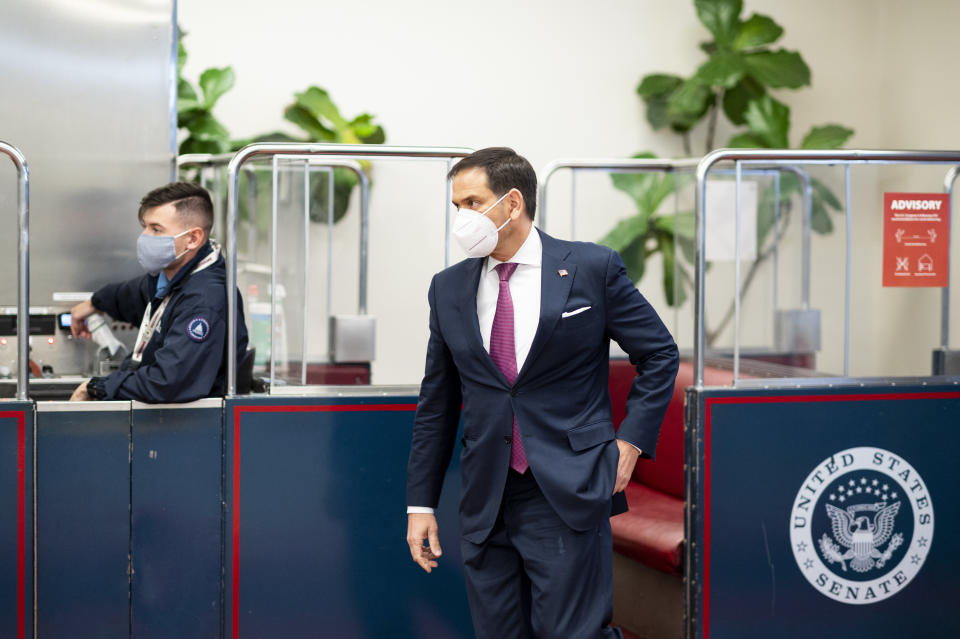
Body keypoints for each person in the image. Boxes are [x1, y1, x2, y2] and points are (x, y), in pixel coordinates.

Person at [405, 148, 679, 638]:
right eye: (456, 207)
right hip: (487, 496)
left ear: (512, 204)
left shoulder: (591, 268)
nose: (463, 218)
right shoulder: (447, 288)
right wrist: (420, 505)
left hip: (567, 488)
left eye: (473, 202)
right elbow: (438, 402)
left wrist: (630, 443)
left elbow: (658, 354)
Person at [69, 181, 248, 403]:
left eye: (156, 229)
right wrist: (93, 304)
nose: (144, 237)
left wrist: (95, 387)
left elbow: (167, 382)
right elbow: (133, 293)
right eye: (145, 227)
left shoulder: (204, 301)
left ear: (193, 238)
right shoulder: (175, 277)